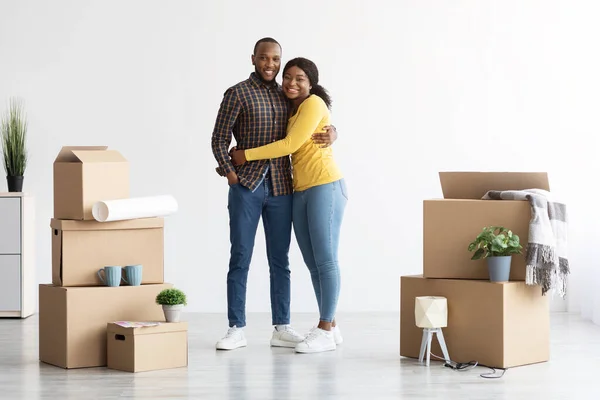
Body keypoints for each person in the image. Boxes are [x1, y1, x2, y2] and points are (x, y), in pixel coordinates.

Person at [210, 38, 338, 351]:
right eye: (264, 58)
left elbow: (312, 119)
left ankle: (281, 327)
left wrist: (334, 131)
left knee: (280, 260)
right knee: (240, 256)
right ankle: (236, 328)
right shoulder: (238, 92)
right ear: (254, 58)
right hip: (247, 186)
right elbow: (218, 139)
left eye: (275, 59)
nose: (270, 64)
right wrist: (229, 173)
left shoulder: (288, 96)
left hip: (283, 187)